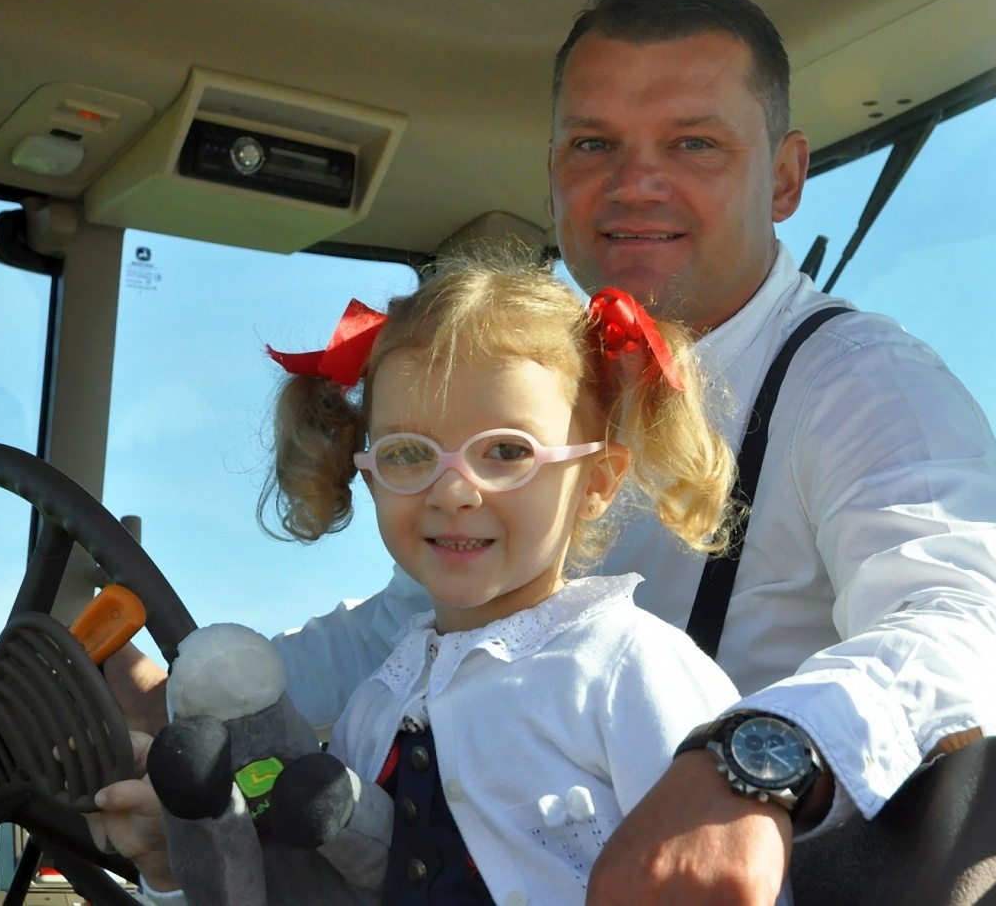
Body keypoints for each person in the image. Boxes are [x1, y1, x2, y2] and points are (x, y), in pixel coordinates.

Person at [100, 0, 996, 905]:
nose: (636, 184)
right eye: (595, 143)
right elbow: (396, 636)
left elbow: (970, 628)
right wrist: (182, 716)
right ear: (554, 171)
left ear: (786, 176)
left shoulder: (856, 382)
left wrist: (754, 758)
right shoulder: (543, 400)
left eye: (693, 142)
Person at [114, 254, 756, 905]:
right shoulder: (379, 703)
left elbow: (732, 867)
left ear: (596, 480)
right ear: (370, 474)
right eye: (409, 454)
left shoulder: (632, 670)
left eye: (506, 452)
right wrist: (170, 870)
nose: (452, 490)